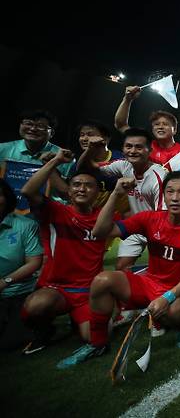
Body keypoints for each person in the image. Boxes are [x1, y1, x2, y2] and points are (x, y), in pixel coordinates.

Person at [75, 171, 180, 367]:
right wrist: (115, 194)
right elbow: (99, 232)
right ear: (163, 195)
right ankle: (98, 343)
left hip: (178, 291)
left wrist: (168, 298)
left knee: (173, 312)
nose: (174, 197)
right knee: (101, 281)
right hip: (148, 283)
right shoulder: (149, 218)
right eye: (169, 191)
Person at [19, 149, 106, 356]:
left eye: (88, 185)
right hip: (57, 288)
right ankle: (44, 329)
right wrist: (55, 161)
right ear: (69, 191)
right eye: (76, 185)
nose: (82, 189)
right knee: (36, 306)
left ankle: (79, 321)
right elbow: (28, 191)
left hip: (89, 292)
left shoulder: (105, 217)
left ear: (97, 192)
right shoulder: (56, 211)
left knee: (95, 338)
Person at [78, 128, 167, 269]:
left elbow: (163, 217)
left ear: (149, 150)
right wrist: (90, 149)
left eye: (139, 147)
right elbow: (87, 168)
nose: (132, 151)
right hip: (136, 227)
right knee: (121, 268)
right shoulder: (124, 165)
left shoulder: (159, 177)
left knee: (161, 272)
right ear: (123, 149)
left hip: (158, 229)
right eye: (128, 146)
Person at [0, 180, 43, 351]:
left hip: (18, 293)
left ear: (6, 198)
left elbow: (34, 263)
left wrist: (5, 281)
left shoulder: (25, 225)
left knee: (9, 343)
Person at [0, 110, 75, 206]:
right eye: (28, 124)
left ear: (51, 132)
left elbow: (70, 196)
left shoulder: (65, 158)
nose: (33, 128)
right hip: (6, 215)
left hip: (45, 216)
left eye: (41, 126)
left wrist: (52, 163)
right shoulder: (2, 150)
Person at [114, 86, 180, 165]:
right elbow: (121, 125)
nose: (160, 127)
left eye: (165, 124)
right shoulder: (143, 145)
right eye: (156, 124)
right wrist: (127, 99)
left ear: (174, 130)